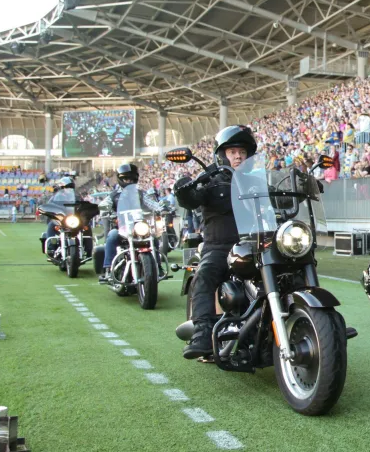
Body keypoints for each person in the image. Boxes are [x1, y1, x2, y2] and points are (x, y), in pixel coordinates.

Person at [174, 125, 255, 359]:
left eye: (241, 152)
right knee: (206, 272)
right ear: (222, 155)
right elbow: (192, 198)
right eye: (232, 152)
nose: (238, 156)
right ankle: (202, 333)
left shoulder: (255, 181)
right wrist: (184, 189)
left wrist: (301, 187)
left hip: (254, 244)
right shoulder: (210, 180)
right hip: (220, 246)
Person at [98, 163, 161, 283]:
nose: (129, 181)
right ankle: (107, 270)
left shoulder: (141, 194)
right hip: (122, 229)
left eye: (131, 179)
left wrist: (162, 208)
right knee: (112, 236)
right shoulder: (114, 195)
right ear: (121, 179)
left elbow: (153, 205)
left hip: (140, 228)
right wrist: (103, 209)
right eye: (126, 179)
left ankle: (158, 267)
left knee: (153, 239)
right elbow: (103, 205)